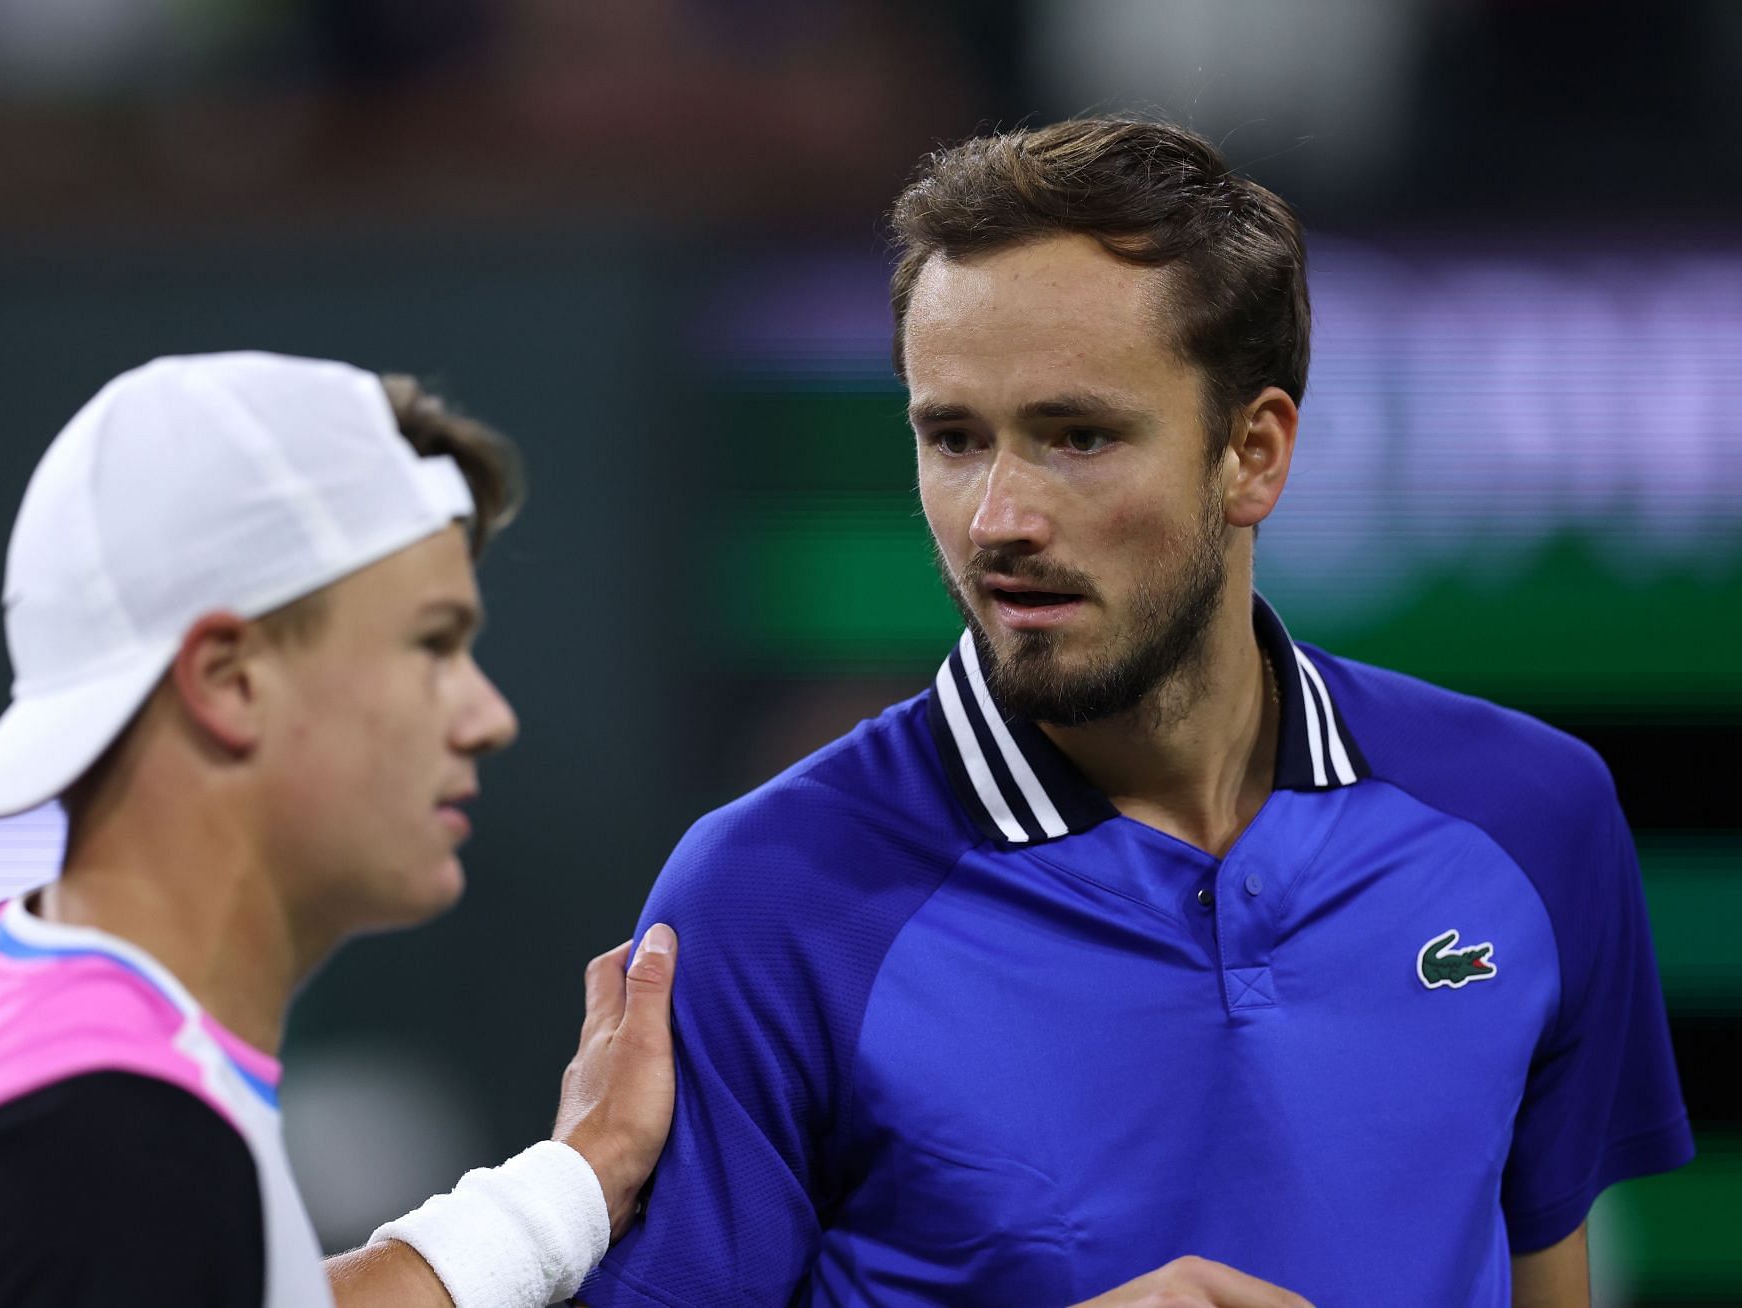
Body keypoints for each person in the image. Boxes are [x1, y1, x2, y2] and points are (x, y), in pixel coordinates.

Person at [580, 118, 1693, 1307]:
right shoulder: (767, 895)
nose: (998, 516)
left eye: (1078, 437)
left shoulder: (1534, 815)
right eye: (953, 438)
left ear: (1253, 455)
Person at [0, 352, 678, 1308]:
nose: (487, 716)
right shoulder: (111, 1144)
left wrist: (567, 1188)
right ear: (230, 680)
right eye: (432, 644)